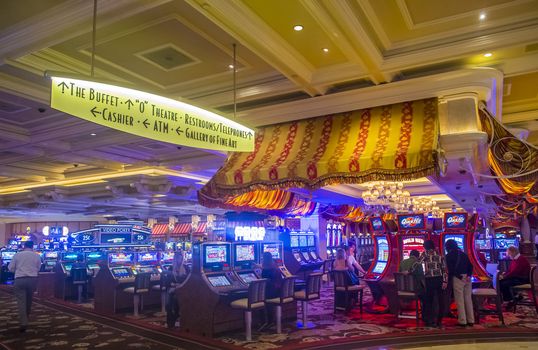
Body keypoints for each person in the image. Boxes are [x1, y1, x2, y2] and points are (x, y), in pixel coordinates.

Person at [8, 241, 42, 332]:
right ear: (32, 247)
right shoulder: (37, 255)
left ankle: (24, 322)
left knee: (21, 301)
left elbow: (10, 268)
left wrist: (18, 270)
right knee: (29, 300)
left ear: (24, 246)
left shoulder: (17, 255)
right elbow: (38, 268)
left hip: (20, 279)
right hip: (32, 280)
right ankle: (26, 318)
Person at [419, 240, 448, 328]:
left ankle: (429, 320)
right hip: (439, 279)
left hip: (429, 279)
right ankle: (439, 320)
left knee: (429, 301)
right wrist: (445, 281)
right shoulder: (440, 255)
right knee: (440, 300)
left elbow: (417, 264)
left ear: (425, 247)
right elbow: (444, 269)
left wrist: (409, 271)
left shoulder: (424, 254)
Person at [445, 239, 474, 327]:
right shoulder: (463, 254)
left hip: (458, 278)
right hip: (467, 278)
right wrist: (468, 276)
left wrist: (460, 277)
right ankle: (471, 320)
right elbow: (470, 266)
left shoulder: (448, 256)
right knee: (468, 299)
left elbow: (451, 270)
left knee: (459, 300)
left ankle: (462, 321)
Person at [166, 250, 188, 328]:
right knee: (169, 303)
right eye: (178, 258)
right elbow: (168, 282)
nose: (180, 259)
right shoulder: (171, 268)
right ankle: (171, 322)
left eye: (181, 257)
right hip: (173, 290)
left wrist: (179, 285)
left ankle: (177, 318)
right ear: (175, 258)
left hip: (183, 290)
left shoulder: (186, 267)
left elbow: (188, 281)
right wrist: (175, 285)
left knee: (175, 300)